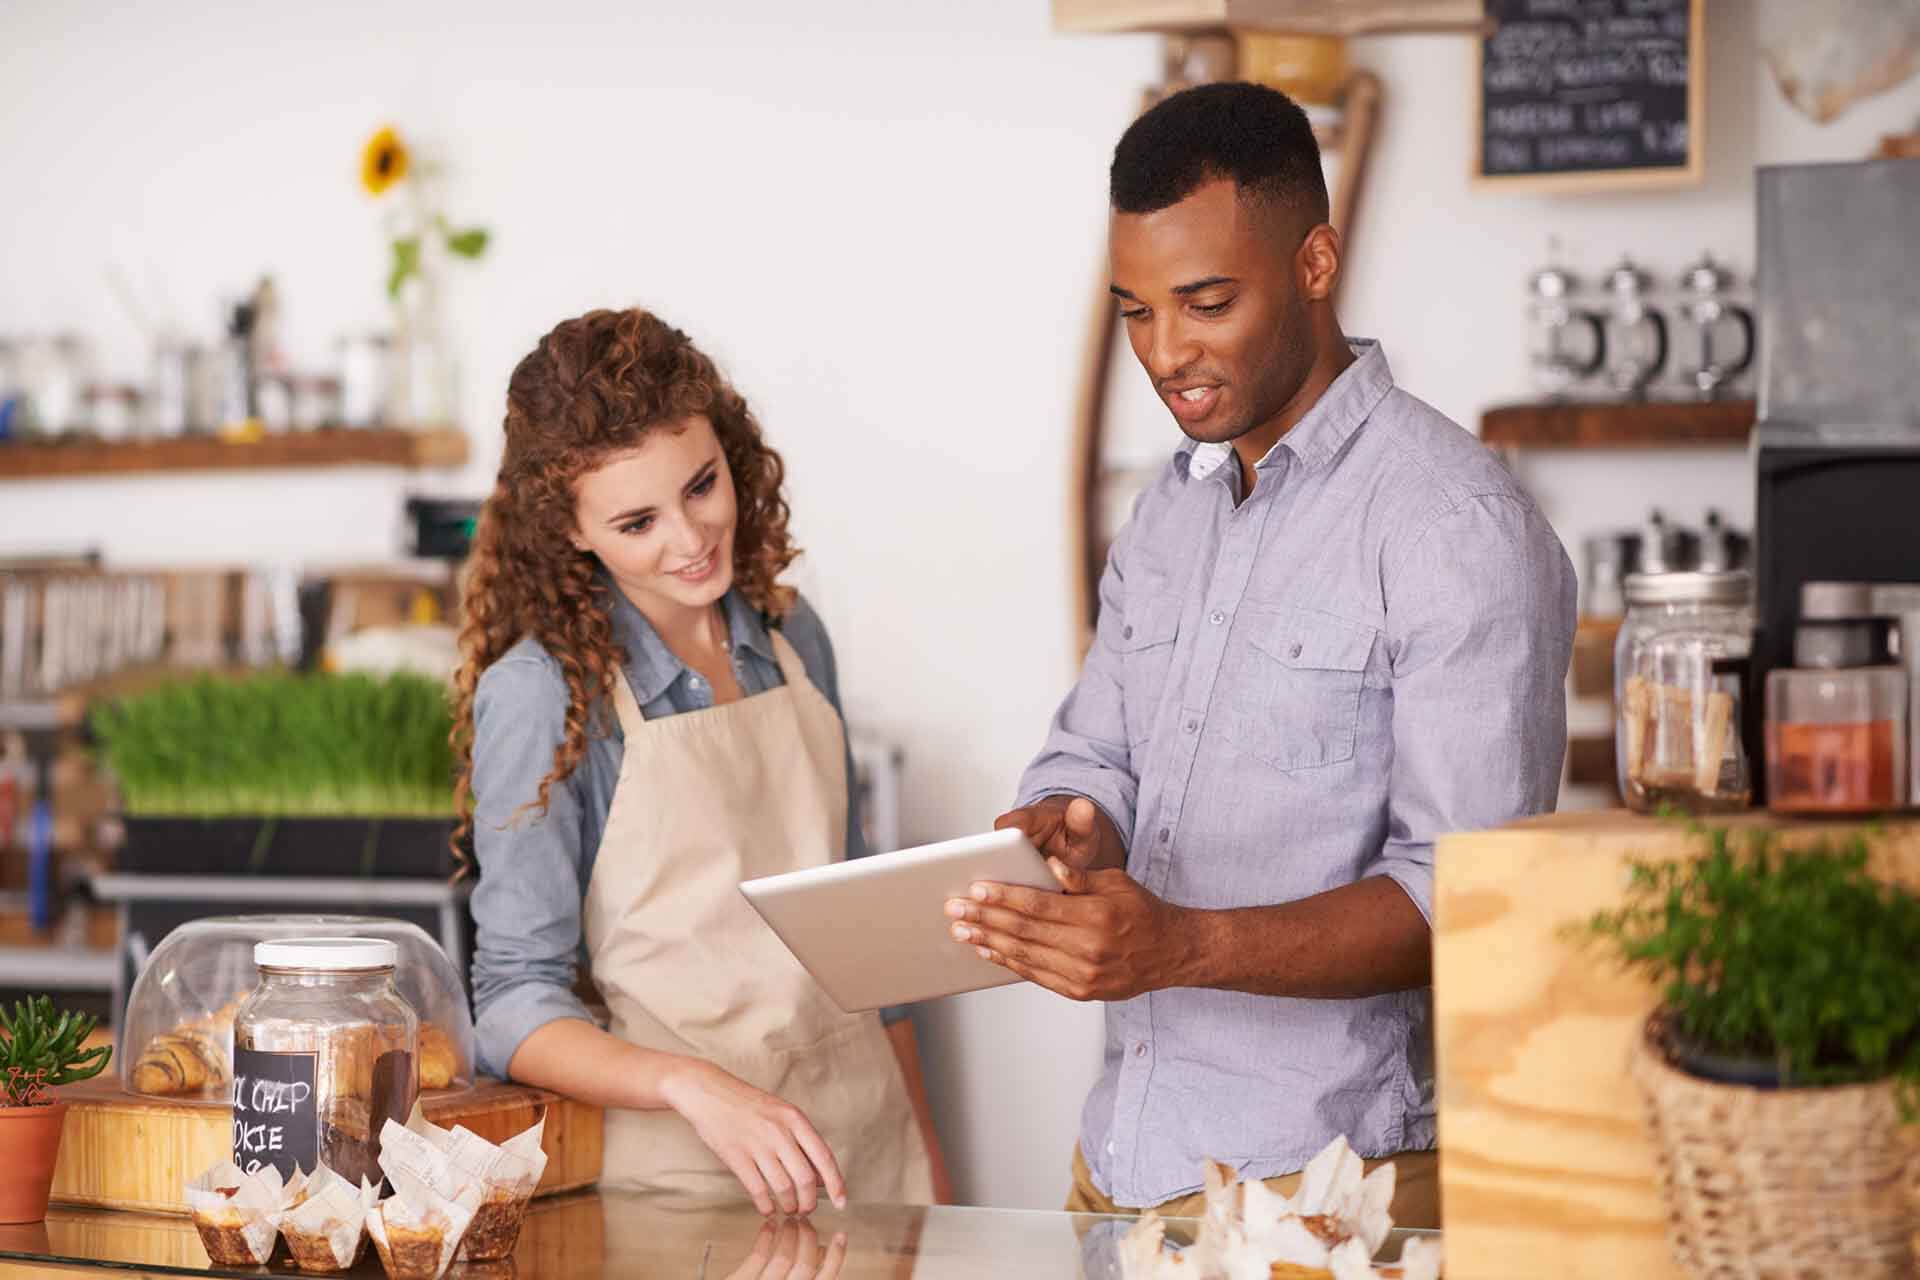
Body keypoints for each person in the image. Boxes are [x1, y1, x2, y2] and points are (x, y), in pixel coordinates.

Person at [952, 82, 1577, 1227]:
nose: (1167, 352)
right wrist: (1076, 816)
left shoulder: (1458, 528)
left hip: (1332, 1188)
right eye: (1136, 310)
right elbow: (1096, 747)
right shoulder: (1170, 509)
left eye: (1205, 301)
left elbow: (1469, 901)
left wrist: (1181, 943)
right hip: (1122, 1166)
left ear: (1317, 261)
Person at [456, 307, 947, 1215]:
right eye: (638, 521)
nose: (690, 539)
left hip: (871, 1156)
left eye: (702, 486)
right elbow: (513, 1004)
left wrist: (935, 1173)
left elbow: (872, 950)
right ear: (570, 530)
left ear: (731, 451)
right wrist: (691, 1085)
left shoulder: (794, 637)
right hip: (691, 1187)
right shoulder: (547, 696)